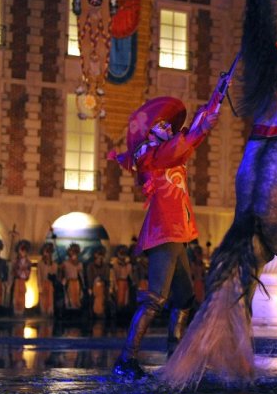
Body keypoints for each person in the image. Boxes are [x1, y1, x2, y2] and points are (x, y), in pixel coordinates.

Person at [109, 94, 220, 378]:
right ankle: (126, 360)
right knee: (156, 299)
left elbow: (187, 143)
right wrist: (201, 126)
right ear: (149, 132)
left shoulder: (167, 152)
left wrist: (212, 105)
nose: (170, 128)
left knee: (183, 300)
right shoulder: (149, 155)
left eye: (169, 126)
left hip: (177, 234)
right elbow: (182, 144)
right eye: (163, 125)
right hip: (163, 232)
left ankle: (176, 359)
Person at [86, 245, 111, 319]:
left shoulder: (106, 267)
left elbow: (107, 278)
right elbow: (90, 278)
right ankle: (97, 312)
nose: (100, 258)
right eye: (99, 255)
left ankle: (102, 311)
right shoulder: (90, 266)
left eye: (102, 255)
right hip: (94, 287)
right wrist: (90, 287)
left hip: (103, 286)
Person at [60, 242, 85, 314]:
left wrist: (83, 286)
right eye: (72, 252)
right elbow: (61, 274)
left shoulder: (79, 264)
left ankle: (76, 312)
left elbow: (81, 276)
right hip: (69, 282)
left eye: (75, 252)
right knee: (69, 299)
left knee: (77, 299)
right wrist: (63, 279)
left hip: (76, 283)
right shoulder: (65, 263)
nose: (74, 254)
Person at [110, 244, 134, 318]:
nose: (123, 255)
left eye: (124, 253)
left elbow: (130, 275)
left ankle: (123, 314)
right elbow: (113, 275)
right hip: (118, 282)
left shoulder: (128, 265)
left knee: (125, 300)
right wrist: (114, 285)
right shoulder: (115, 264)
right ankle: (117, 314)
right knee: (119, 299)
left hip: (125, 282)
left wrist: (127, 264)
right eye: (121, 253)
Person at [37, 241, 58, 318]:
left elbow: (55, 274)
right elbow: (39, 275)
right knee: (43, 301)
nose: (48, 254)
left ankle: (50, 315)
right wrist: (39, 286)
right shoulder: (40, 263)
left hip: (50, 285)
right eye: (46, 252)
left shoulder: (54, 264)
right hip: (43, 284)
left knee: (50, 301)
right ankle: (43, 314)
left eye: (49, 252)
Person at [11, 240, 32, 316]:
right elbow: (13, 270)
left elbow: (29, 270)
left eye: (24, 251)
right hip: (17, 279)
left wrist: (26, 274)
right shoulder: (16, 261)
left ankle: (21, 310)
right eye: (21, 251)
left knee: (22, 294)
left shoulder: (28, 262)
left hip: (23, 280)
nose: (23, 253)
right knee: (16, 295)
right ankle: (16, 310)